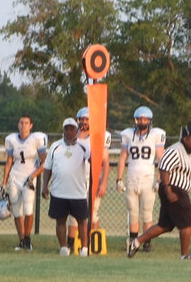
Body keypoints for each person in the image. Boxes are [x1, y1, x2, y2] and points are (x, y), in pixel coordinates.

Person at [128, 125, 191, 259]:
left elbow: (190, 176)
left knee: (165, 225)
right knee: (187, 223)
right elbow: (164, 168)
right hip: (174, 188)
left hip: (178, 189)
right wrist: (168, 190)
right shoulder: (175, 150)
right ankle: (184, 255)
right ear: (185, 139)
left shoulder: (190, 155)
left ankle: (136, 242)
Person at [116, 106, 166, 252]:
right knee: (132, 211)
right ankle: (132, 240)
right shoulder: (127, 135)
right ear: (135, 120)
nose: (142, 122)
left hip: (148, 178)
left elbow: (160, 159)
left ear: (150, 121)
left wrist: (159, 180)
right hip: (132, 177)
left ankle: (146, 242)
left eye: (145, 119)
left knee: (147, 212)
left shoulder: (156, 135)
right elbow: (123, 157)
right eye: (140, 119)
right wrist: (119, 179)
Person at [41, 118, 91, 255]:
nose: (69, 132)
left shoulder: (84, 146)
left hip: (78, 192)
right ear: (63, 130)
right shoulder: (55, 146)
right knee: (60, 220)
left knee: (82, 221)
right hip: (59, 191)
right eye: (66, 129)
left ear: (77, 130)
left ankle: (84, 248)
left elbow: (94, 160)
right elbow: (47, 168)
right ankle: (64, 247)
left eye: (72, 129)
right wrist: (45, 185)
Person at [1, 114, 48, 251]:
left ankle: (27, 238)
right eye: (21, 123)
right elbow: (9, 162)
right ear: (18, 124)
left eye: (26, 123)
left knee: (28, 209)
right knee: (16, 210)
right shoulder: (11, 139)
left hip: (29, 178)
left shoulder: (36, 139)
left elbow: (45, 162)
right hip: (15, 177)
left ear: (31, 125)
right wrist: (4, 183)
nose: (23, 125)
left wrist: (33, 175)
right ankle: (22, 240)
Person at [75, 106, 111, 237]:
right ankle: (73, 243)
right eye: (82, 119)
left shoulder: (100, 134)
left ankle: (93, 241)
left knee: (93, 212)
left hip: (92, 177)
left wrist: (104, 183)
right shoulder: (73, 134)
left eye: (87, 119)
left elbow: (105, 161)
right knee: (74, 213)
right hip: (75, 178)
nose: (84, 122)